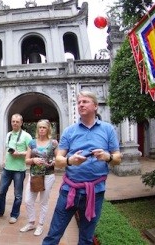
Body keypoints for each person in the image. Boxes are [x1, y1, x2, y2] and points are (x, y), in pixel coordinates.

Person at [42, 91, 122, 245]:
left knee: (86, 238)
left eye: (85, 101)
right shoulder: (69, 131)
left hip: (95, 192)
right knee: (53, 235)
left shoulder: (108, 129)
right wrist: (70, 161)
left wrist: (107, 157)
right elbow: (58, 161)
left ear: (96, 106)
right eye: (79, 102)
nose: (81, 105)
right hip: (69, 191)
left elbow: (117, 158)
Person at [0, 113, 32, 224]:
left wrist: (20, 153)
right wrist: (4, 159)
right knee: (1, 192)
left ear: (21, 123)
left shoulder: (26, 136)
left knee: (17, 195)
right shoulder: (8, 134)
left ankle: (14, 214)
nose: (15, 123)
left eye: (17, 122)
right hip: (7, 168)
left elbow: (31, 151)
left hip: (19, 169)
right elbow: (7, 149)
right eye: (13, 121)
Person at [20, 119, 58, 236]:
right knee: (28, 200)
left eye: (44, 127)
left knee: (43, 201)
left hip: (48, 176)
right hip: (34, 176)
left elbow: (59, 159)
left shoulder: (53, 143)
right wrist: (33, 160)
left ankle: (40, 225)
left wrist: (53, 161)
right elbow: (26, 160)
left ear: (48, 129)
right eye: (40, 127)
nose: (41, 129)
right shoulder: (32, 142)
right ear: (37, 129)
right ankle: (31, 222)